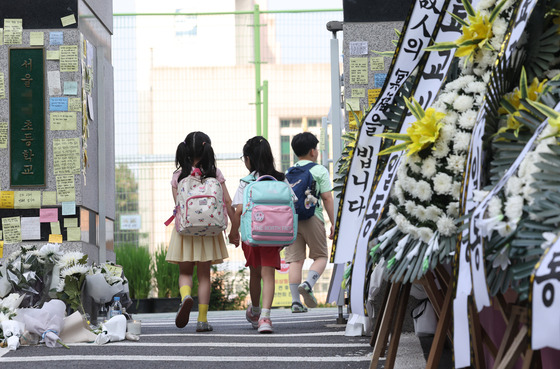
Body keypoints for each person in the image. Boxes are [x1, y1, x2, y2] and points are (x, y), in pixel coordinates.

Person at [166, 131, 234, 331]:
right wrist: (234, 228)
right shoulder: (215, 173)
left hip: (185, 231)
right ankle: (202, 320)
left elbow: (178, 205)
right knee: (204, 275)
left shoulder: (178, 176)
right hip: (209, 231)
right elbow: (228, 202)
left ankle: (186, 296)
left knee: (185, 271)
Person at [228, 136, 289, 334]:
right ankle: (266, 317)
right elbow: (291, 203)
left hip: (252, 236)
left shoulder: (247, 182)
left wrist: (234, 232)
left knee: (255, 274)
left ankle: (254, 312)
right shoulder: (280, 179)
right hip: (274, 234)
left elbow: (237, 211)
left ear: (248, 159)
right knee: (268, 274)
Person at [286, 132, 334, 313]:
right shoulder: (319, 170)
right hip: (313, 217)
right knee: (321, 256)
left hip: (292, 220)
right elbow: (327, 198)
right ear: (313, 151)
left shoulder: (288, 172)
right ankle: (308, 283)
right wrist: (334, 223)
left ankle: (295, 302)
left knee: (295, 261)